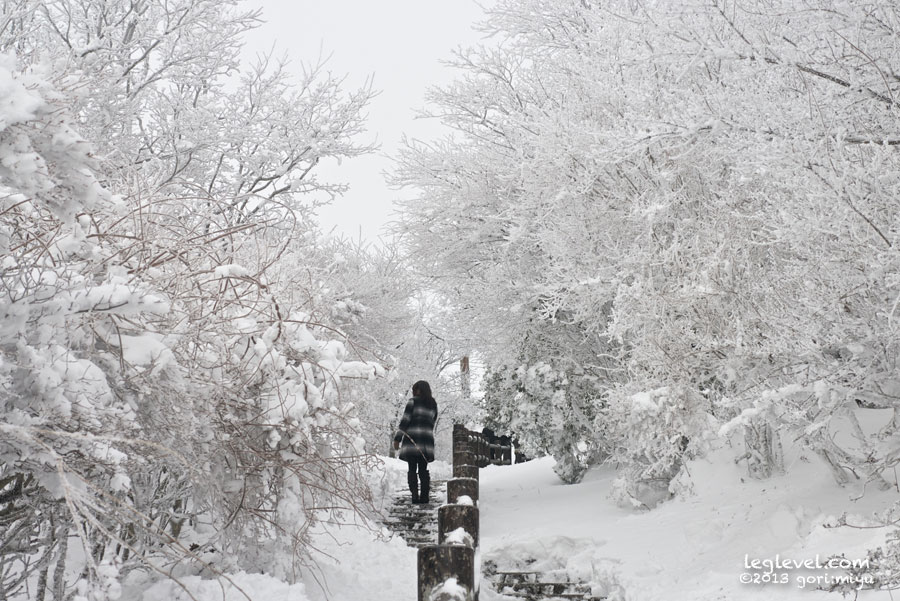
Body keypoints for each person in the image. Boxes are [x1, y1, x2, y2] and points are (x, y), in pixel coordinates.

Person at [393, 381, 438, 504]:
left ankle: (414, 496)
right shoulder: (433, 404)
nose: (414, 392)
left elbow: (405, 421)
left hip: (412, 440)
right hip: (426, 442)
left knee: (412, 468)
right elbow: (432, 422)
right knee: (423, 469)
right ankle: (424, 496)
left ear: (420, 390)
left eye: (416, 389)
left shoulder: (412, 402)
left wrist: (397, 438)